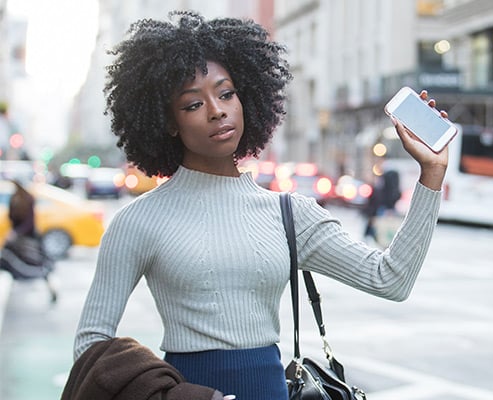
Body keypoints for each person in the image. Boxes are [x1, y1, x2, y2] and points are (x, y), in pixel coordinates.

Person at [70, 11, 449, 400]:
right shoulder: (138, 220)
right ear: (168, 122)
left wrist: (431, 173)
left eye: (226, 93)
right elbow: (92, 345)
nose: (217, 110)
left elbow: (391, 280)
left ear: (246, 98)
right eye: (192, 104)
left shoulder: (289, 213)